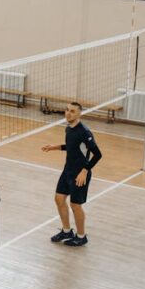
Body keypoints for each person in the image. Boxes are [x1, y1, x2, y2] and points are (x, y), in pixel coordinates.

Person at [42, 102, 102, 247]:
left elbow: (98, 154)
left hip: (80, 173)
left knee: (75, 205)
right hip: (67, 170)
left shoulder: (84, 132)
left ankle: (81, 236)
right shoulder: (69, 128)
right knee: (59, 199)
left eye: (72, 111)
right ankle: (66, 231)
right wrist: (55, 147)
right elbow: (71, 147)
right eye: (67, 110)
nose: (68, 113)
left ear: (79, 114)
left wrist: (85, 171)